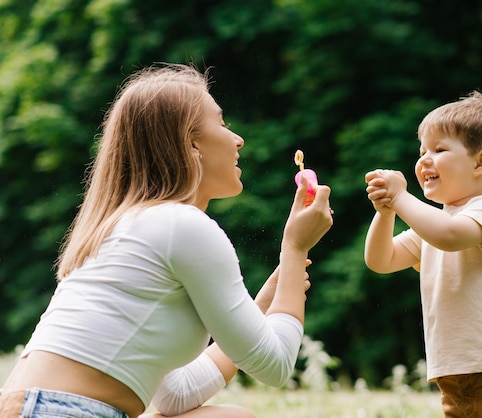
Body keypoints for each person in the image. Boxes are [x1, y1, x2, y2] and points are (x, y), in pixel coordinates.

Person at [0, 63, 333, 418]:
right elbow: (277, 366)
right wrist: (296, 249)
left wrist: (263, 303)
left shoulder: (133, 227)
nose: (237, 139)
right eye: (221, 123)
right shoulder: (182, 225)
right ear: (191, 143)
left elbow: (176, 394)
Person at [364, 91, 482, 417]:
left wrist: (401, 197)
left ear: (480, 162)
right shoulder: (431, 223)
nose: (424, 160)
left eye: (439, 149)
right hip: (453, 377)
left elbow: (449, 237)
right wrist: (387, 211)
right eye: (421, 151)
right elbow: (381, 260)